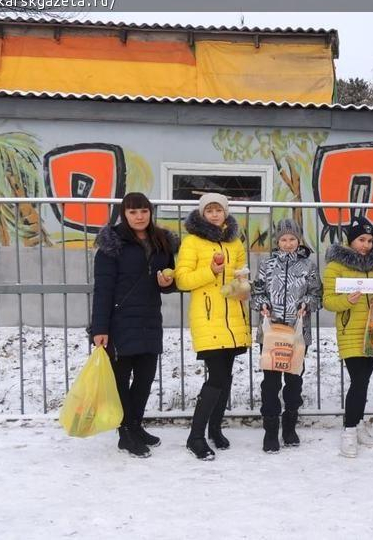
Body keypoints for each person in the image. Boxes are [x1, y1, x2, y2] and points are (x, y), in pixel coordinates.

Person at [91, 192, 179, 458]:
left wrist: (168, 283)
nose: (139, 216)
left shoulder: (161, 241)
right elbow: (103, 289)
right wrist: (99, 329)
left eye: (143, 211)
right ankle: (125, 433)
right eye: (133, 212)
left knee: (144, 378)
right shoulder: (112, 244)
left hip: (149, 319)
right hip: (119, 322)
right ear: (124, 214)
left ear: (150, 212)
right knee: (120, 381)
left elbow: (169, 280)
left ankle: (135, 426)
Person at [175, 193, 251, 461]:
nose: (215, 214)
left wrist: (243, 284)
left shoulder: (234, 241)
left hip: (234, 317)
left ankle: (215, 429)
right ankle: (195, 436)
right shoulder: (192, 241)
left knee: (226, 377)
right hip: (208, 318)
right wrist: (211, 271)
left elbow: (240, 273)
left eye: (219, 210)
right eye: (210, 210)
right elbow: (182, 280)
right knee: (217, 377)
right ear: (202, 213)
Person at [323, 217, 373, 458]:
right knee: (359, 381)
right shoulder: (336, 266)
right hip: (350, 330)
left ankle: (358, 423)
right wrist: (347, 300)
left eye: (370, 240)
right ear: (350, 241)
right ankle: (349, 431)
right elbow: (328, 301)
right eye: (361, 240)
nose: (366, 244)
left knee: (363, 381)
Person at [251, 218, 323, 453]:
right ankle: (270, 430)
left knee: (294, 380)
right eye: (284, 239)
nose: (288, 243)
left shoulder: (309, 265)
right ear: (277, 241)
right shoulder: (266, 264)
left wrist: (306, 303)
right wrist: (262, 304)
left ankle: (290, 425)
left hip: (297, 333)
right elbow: (256, 292)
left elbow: (317, 295)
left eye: (292, 239)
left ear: (299, 240)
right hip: (271, 333)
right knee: (270, 383)